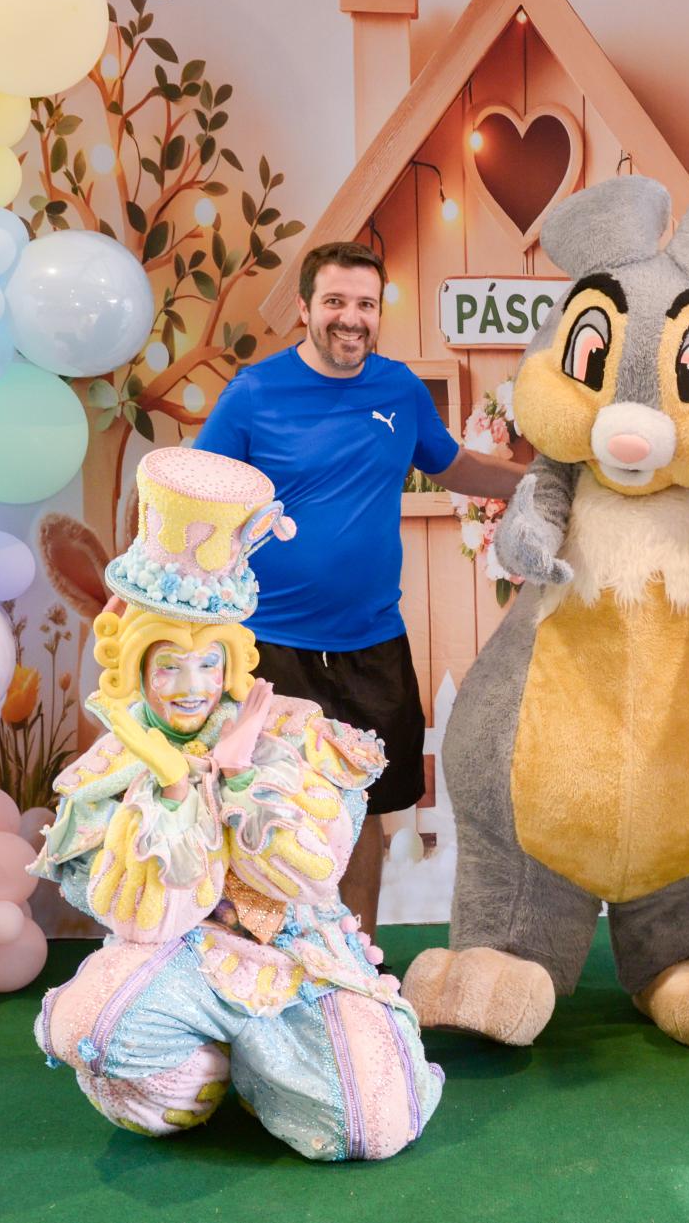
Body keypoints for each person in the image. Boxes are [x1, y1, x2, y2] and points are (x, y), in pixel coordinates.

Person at [29, 446, 443, 1160]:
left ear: (231, 660)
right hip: (181, 958)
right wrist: (172, 781)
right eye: (168, 666)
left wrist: (240, 773)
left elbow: (310, 874)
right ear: (137, 667)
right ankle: (210, 1060)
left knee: (372, 1125)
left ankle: (263, 1065)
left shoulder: (293, 733)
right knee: (95, 1032)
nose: (192, 687)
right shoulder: (111, 766)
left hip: (297, 959)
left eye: (207, 662)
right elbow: (150, 917)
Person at [196, 242, 524, 945]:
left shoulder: (398, 390)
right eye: (336, 302)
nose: (351, 317)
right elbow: (200, 493)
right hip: (271, 645)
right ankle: (271, 965)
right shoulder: (254, 393)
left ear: (379, 312)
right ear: (305, 308)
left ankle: (357, 960)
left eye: (366, 304)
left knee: (364, 806)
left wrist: (538, 482)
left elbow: (454, 466)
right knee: (271, 812)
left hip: (372, 641)